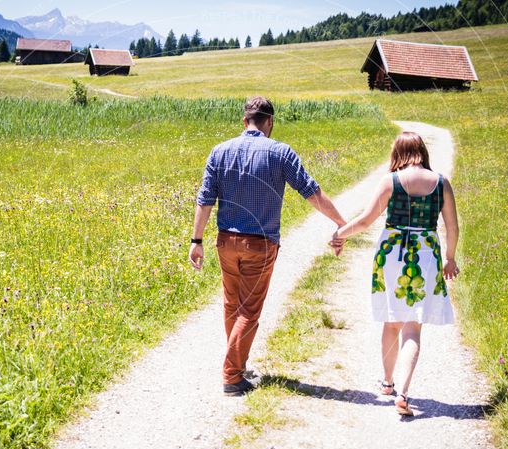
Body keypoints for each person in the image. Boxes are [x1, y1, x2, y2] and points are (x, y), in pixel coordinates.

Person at [190, 96, 347, 396]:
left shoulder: (219, 151)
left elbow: (205, 199)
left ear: (244, 121)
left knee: (231, 304)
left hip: (226, 241)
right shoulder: (280, 152)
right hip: (260, 244)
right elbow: (311, 191)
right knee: (248, 310)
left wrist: (196, 241)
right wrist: (340, 222)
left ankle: (239, 362)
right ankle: (232, 375)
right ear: (270, 122)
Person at [330, 131, 459, 415]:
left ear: (397, 153)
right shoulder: (441, 183)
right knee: (413, 326)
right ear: (423, 152)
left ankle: (387, 383)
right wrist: (449, 259)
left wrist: (339, 233)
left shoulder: (391, 181)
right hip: (426, 252)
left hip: (392, 253)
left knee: (391, 321)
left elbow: (365, 220)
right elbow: (451, 227)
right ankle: (403, 391)